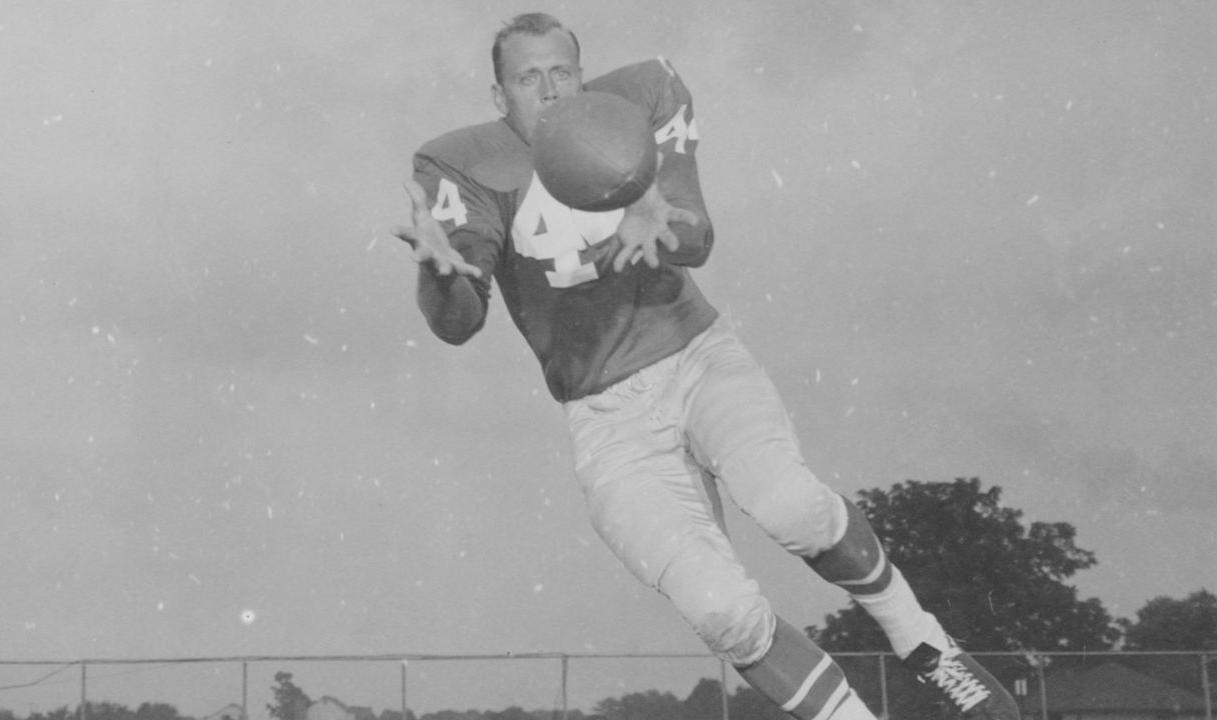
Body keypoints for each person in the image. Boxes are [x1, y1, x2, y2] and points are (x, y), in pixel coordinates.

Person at [391, 12, 1020, 720]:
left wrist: (660, 214)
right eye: (527, 78)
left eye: (562, 71)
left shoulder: (640, 100)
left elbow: (697, 237)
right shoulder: (463, 166)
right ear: (498, 96)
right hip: (605, 414)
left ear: (583, 72)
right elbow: (458, 321)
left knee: (788, 504)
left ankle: (926, 646)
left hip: (694, 356)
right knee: (723, 614)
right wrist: (439, 274)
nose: (550, 90)